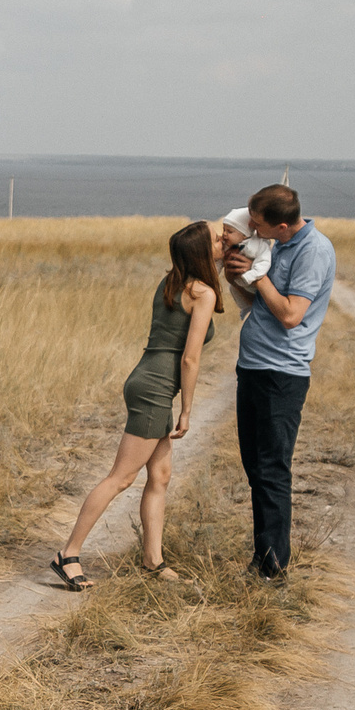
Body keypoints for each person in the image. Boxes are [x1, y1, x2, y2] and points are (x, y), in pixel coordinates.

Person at [51, 220, 221, 590]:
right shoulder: (202, 292)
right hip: (156, 388)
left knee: (159, 477)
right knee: (121, 477)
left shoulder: (172, 281)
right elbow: (190, 359)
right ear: (203, 253)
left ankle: (153, 561)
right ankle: (68, 554)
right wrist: (187, 410)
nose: (225, 242)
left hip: (143, 377)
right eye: (219, 241)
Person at [223, 183, 335, 582]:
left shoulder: (314, 251)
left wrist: (259, 276)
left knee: (272, 469)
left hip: (282, 375)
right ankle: (262, 558)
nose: (249, 228)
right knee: (255, 467)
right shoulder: (276, 245)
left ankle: (272, 569)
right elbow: (260, 306)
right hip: (252, 367)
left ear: (282, 224)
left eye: (256, 223)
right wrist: (239, 277)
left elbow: (290, 316)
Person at [216, 207, 272, 285]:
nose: (224, 234)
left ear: (244, 235)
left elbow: (264, 262)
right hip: (237, 285)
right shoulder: (228, 245)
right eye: (224, 230)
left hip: (253, 283)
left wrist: (250, 275)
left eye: (229, 231)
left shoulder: (259, 245)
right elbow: (219, 262)